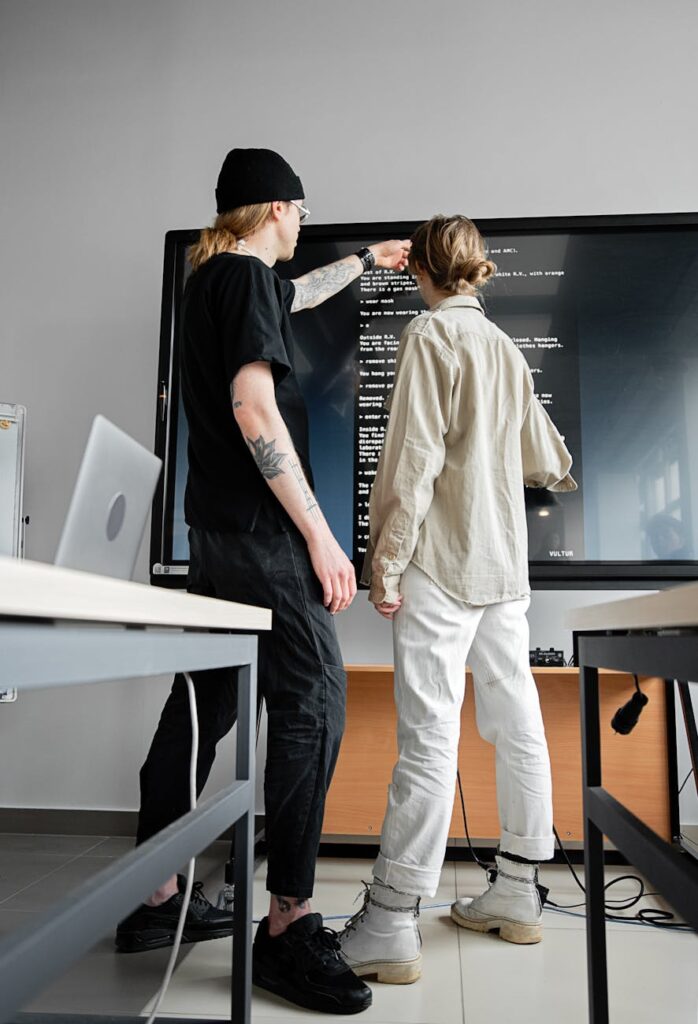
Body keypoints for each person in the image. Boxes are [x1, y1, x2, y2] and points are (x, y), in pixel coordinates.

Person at [115, 147, 410, 1015]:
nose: (303, 226)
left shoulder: (214, 279)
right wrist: (320, 536)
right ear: (280, 208)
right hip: (264, 536)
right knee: (314, 701)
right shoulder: (244, 278)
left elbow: (297, 294)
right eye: (302, 213)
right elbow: (254, 407)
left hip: (214, 535)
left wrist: (365, 261)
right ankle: (287, 923)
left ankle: (155, 893)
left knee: (203, 702)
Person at [339, 215, 577, 983]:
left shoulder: (430, 335)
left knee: (430, 736)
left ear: (423, 270)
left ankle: (389, 922)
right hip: (504, 568)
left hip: (441, 564)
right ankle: (519, 893)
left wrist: (385, 563)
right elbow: (548, 458)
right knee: (518, 722)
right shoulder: (505, 348)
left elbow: (412, 462)